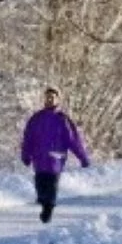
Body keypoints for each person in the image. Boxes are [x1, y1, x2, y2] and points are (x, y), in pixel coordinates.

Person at [19, 86, 91, 224]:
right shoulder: (36, 118)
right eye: (48, 97)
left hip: (55, 159)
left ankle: (49, 208)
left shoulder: (62, 119)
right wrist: (26, 155)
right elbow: (28, 138)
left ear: (57, 99)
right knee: (40, 187)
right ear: (44, 99)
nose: (50, 100)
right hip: (39, 159)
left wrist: (83, 157)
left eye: (53, 97)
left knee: (51, 185)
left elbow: (73, 140)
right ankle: (44, 203)